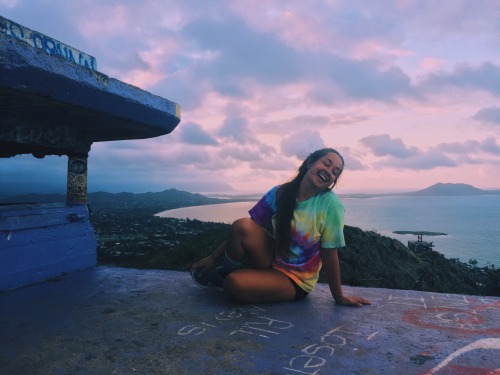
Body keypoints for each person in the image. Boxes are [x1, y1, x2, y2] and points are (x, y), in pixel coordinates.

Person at [190, 148, 370, 307]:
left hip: (296, 280)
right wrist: (213, 258)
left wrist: (339, 296)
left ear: (332, 181)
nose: (329, 171)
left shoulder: (330, 204)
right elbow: (243, 231)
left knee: (234, 284)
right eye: (327, 163)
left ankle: (234, 279)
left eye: (335, 172)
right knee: (242, 225)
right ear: (310, 163)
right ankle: (223, 274)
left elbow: (329, 253)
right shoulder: (281, 192)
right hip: (272, 260)